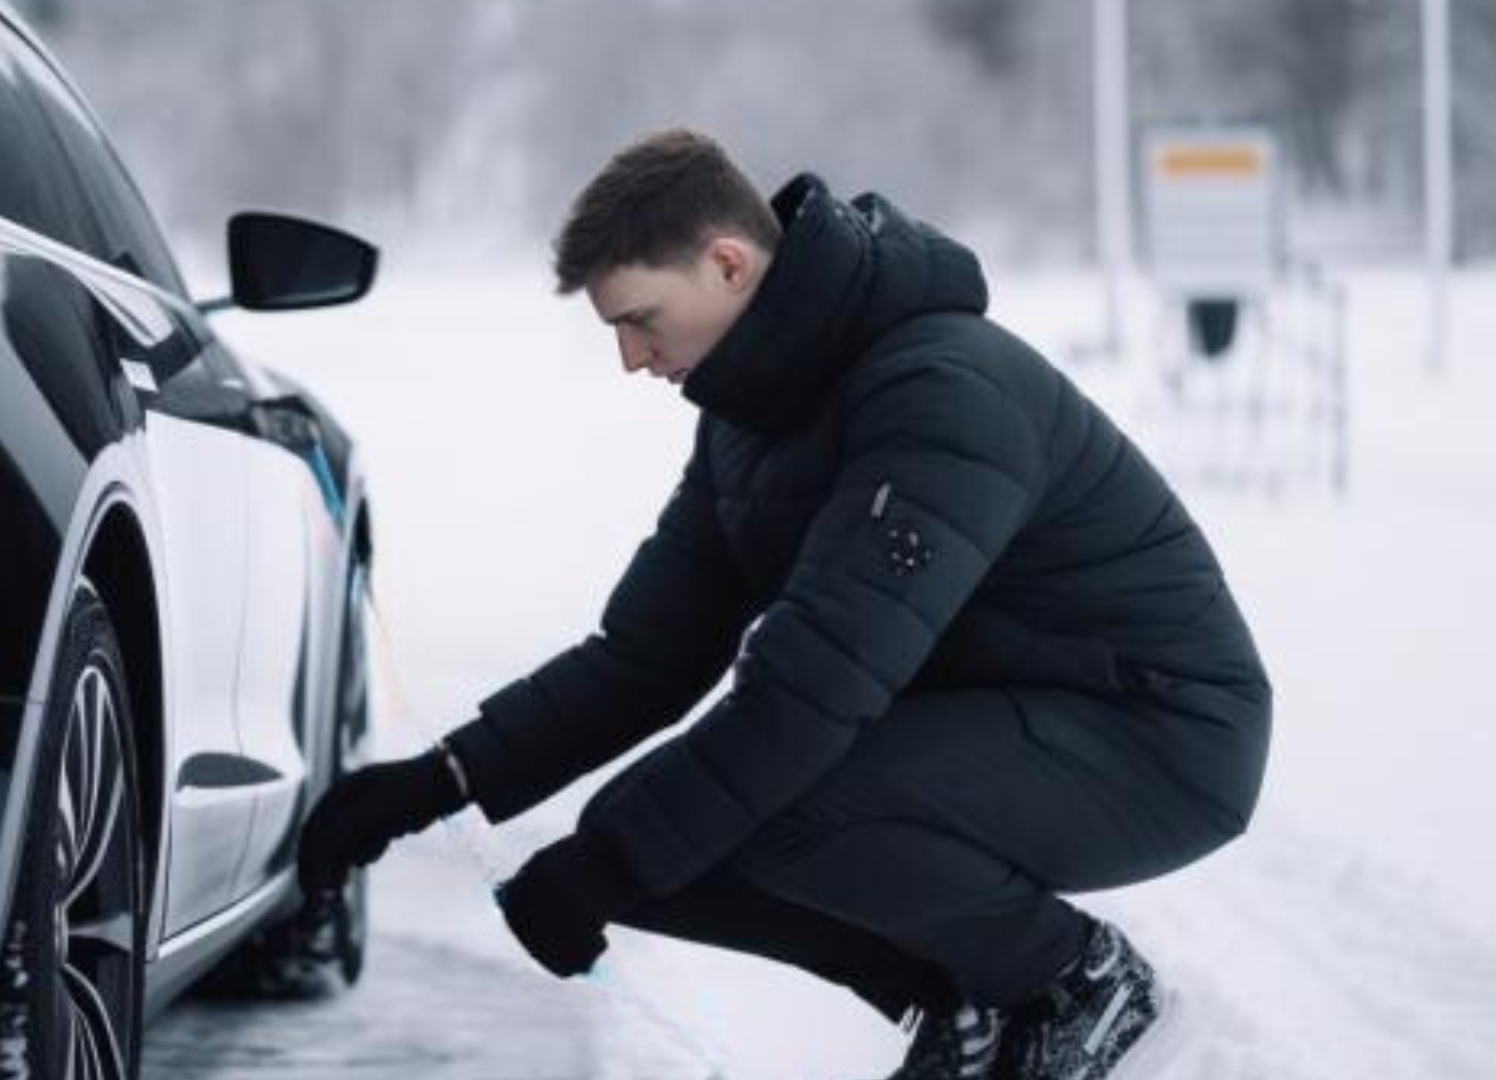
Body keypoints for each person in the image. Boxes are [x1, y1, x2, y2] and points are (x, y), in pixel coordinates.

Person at [297, 127, 1271, 1080]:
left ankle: (1072, 983)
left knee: (737, 814)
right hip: (1006, 719)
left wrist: (604, 865)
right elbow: (646, 657)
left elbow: (810, 684)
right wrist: (437, 782)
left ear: (727, 263)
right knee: (673, 833)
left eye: (638, 319)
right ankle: (968, 999)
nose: (632, 359)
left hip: (1154, 733)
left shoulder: (942, 392)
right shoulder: (746, 422)